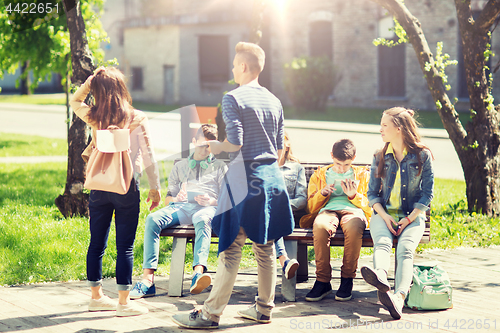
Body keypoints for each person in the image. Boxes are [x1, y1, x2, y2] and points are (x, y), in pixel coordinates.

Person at [172, 41, 294, 329]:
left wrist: (213, 147)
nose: (231, 69)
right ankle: (264, 310)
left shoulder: (232, 98)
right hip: (271, 182)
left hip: (242, 183)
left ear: (243, 67)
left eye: (234, 65)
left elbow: (235, 144)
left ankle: (210, 314)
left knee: (230, 247)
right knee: (265, 248)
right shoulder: (274, 100)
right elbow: (278, 151)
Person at [70, 67, 161, 317]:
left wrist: (89, 82)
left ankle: (96, 297)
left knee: (96, 243)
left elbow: (74, 100)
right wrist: (155, 189)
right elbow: (150, 157)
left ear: (98, 91)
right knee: (125, 247)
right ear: (122, 89)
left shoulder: (95, 117)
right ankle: (123, 303)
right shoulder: (136, 118)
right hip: (126, 187)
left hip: (99, 186)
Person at [129, 124, 227, 298]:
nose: (205, 150)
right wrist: (177, 198)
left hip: (207, 209)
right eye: (202, 145)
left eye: (209, 146)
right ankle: (148, 280)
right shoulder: (181, 166)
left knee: (202, 218)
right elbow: (168, 200)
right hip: (181, 207)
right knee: (152, 219)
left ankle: (198, 274)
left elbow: (228, 200)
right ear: (194, 141)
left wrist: (211, 201)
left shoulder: (220, 167)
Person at [361, 107, 434, 320]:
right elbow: (372, 193)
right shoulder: (380, 156)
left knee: (405, 251)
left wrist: (409, 218)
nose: (380, 129)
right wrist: (385, 216)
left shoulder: (422, 155)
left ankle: (398, 299)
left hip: (413, 217)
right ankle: (381, 278)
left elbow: (427, 193)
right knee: (382, 243)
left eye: (384, 125)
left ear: (398, 129)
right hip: (384, 215)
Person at [299, 139, 372, 302]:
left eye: (346, 165)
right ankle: (323, 281)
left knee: (354, 226)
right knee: (320, 226)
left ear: (353, 158)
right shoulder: (320, 174)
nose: (341, 169)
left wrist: (354, 195)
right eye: (338, 164)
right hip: (328, 210)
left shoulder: (362, 174)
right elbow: (310, 207)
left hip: (353, 210)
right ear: (332, 156)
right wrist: (322, 194)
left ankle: (347, 279)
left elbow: (371, 206)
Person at [274, 131, 306, 279]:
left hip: (287, 215)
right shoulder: (263, 167)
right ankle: (284, 261)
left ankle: (284, 260)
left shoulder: (296, 168)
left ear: (287, 145)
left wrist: (284, 205)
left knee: (273, 216)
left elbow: (302, 199)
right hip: (264, 215)